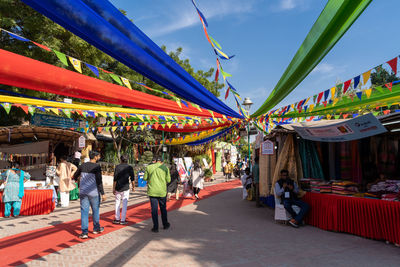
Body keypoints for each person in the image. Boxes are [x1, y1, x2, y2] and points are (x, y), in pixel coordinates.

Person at [73, 151, 106, 239]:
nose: (99, 157)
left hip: (83, 192)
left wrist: (76, 179)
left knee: (84, 212)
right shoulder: (97, 167)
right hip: (94, 193)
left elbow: (75, 175)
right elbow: (99, 181)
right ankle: (96, 228)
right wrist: (102, 193)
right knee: (95, 211)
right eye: (98, 156)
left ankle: (84, 232)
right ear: (95, 157)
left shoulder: (82, 165)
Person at [144, 157, 171, 233]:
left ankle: (155, 227)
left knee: (154, 210)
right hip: (162, 192)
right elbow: (168, 180)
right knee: (163, 208)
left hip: (152, 191)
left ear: (155, 161)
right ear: (161, 162)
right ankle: (165, 224)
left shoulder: (149, 167)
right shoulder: (165, 168)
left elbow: (145, 178)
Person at [112, 154, 135, 225]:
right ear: (127, 160)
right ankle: (122, 220)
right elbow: (132, 179)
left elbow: (115, 179)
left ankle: (117, 219)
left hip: (118, 187)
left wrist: (113, 188)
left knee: (117, 203)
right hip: (126, 188)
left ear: (121, 159)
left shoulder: (117, 167)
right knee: (124, 204)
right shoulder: (130, 167)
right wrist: (133, 187)